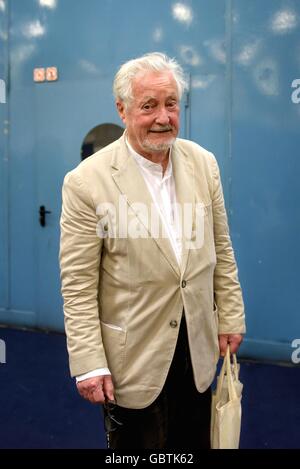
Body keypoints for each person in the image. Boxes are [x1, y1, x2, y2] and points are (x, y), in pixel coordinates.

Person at [59, 52, 245, 449]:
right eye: (149, 106)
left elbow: (221, 249)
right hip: (132, 356)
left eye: (171, 103)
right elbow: (77, 284)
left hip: (198, 347)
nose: (163, 117)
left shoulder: (203, 163)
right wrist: (89, 362)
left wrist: (230, 316)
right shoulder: (85, 182)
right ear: (122, 109)